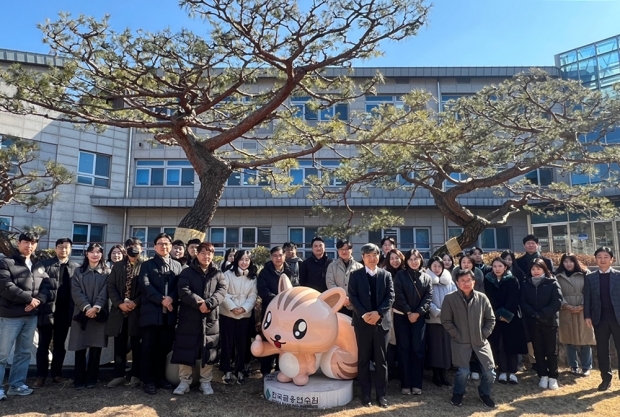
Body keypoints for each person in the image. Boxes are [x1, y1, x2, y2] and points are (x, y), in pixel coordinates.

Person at [171, 242, 226, 396]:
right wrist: (198, 303)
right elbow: (183, 290)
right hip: (190, 316)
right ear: (197, 253)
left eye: (209, 253)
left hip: (210, 317)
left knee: (208, 349)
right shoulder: (187, 272)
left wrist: (208, 304)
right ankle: (184, 381)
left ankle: (205, 381)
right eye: (203, 253)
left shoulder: (218, 273)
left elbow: (222, 292)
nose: (206, 256)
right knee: (185, 347)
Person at [0, 232, 50, 400]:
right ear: (18, 243)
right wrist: (31, 299)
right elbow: (6, 287)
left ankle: (17, 385)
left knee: (24, 352)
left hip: (31, 315)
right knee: (2, 353)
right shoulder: (6, 263)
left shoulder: (38, 264)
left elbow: (47, 285)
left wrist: (38, 301)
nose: (29, 246)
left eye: (33, 243)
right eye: (26, 242)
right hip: (10, 316)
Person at [348, 243, 394, 408]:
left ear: (378, 256)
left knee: (381, 360)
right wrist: (365, 315)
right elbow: (352, 296)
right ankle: (365, 394)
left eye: (374, 255)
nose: (372, 258)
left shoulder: (386, 275)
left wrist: (378, 313)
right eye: (368, 255)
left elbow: (390, 296)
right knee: (363, 359)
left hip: (382, 323)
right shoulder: (355, 275)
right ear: (363, 257)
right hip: (363, 323)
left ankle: (381, 395)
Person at [441, 269, 496, 408]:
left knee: (490, 372)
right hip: (460, 341)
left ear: (474, 282)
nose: (466, 283)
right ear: (457, 283)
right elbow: (446, 321)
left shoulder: (482, 298)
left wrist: (483, 334)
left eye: (468, 280)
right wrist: (457, 334)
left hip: (480, 341)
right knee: (463, 372)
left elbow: (491, 319)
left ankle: (484, 393)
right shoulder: (450, 298)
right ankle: (458, 393)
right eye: (462, 281)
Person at [138, 232, 183, 395]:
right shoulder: (147, 265)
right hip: (151, 312)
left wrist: (171, 298)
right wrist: (161, 299)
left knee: (164, 347)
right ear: (154, 246)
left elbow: (180, 286)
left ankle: (159, 377)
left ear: (171, 246)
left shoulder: (177, 265)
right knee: (148, 347)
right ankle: (148, 380)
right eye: (160, 244)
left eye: (167, 244)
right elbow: (145, 285)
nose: (164, 246)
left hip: (169, 314)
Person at [34, 237, 79, 387]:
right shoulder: (44, 265)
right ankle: (41, 376)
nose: (63, 249)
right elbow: (36, 286)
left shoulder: (75, 267)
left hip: (64, 312)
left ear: (70, 249)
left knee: (60, 345)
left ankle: (57, 374)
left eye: (66, 247)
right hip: (46, 310)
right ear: (55, 248)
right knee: (43, 345)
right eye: (60, 247)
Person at [68, 243, 110, 390]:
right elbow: (76, 292)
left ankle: (92, 379)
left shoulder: (107, 272)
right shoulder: (78, 272)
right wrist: (87, 307)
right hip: (81, 314)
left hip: (99, 315)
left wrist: (96, 307)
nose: (95, 254)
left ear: (102, 255)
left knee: (95, 349)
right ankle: (79, 379)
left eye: (98, 252)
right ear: (86, 254)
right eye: (91, 252)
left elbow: (106, 291)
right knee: (79, 348)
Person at [104, 237, 144, 388]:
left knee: (137, 345)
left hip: (137, 311)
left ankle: (135, 375)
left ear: (141, 248)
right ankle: (118, 375)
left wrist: (135, 302)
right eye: (130, 246)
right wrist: (119, 303)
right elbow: (111, 286)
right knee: (119, 344)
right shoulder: (118, 266)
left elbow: (147, 288)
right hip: (119, 311)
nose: (133, 248)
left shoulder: (145, 265)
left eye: (136, 246)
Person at [393, 249, 432, 395]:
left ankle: (417, 384)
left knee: (418, 350)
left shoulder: (426, 277)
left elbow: (428, 298)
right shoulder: (400, 275)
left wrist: (418, 313)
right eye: (410, 259)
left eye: (416, 258)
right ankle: (405, 384)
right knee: (404, 349)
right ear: (406, 261)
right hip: (402, 316)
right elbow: (398, 295)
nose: (414, 261)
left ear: (421, 260)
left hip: (419, 317)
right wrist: (409, 312)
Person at [520, 258, 562, 390]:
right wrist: (533, 313)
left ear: (544, 269)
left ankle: (553, 376)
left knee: (551, 350)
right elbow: (523, 301)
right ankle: (542, 375)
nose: (535, 271)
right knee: (538, 350)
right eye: (533, 269)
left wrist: (543, 313)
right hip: (533, 321)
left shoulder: (552, 283)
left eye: (538, 269)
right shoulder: (526, 283)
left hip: (549, 321)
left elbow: (557, 302)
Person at [484, 258, 527, 385]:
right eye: (495, 266)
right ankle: (502, 371)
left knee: (512, 345)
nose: (497, 269)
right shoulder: (488, 279)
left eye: (500, 266)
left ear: (505, 267)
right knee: (499, 345)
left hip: (511, 318)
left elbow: (514, 298)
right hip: (495, 317)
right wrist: (498, 313)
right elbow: (489, 298)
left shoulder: (513, 280)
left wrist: (507, 314)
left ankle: (512, 372)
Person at [584, 246, 620, 391]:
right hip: (600, 318)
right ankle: (606, 379)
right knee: (602, 350)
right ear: (596, 259)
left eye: (606, 257)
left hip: (617, 317)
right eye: (599, 257)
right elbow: (587, 298)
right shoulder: (590, 277)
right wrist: (587, 315)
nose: (603, 260)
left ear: (612, 259)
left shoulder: (618, 276)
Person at [219, 250, 257, 385]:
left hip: (244, 315)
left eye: (247, 259)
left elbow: (253, 296)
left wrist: (244, 308)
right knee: (227, 343)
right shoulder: (227, 274)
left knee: (242, 344)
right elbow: (222, 293)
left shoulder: (252, 277)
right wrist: (233, 307)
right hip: (228, 313)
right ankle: (226, 370)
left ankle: (240, 370)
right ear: (236, 260)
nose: (244, 262)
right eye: (242, 259)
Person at [555, 253, 595, 376]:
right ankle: (573, 366)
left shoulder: (585, 273)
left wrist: (583, 305)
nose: (568, 264)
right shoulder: (557, 276)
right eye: (565, 261)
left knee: (585, 339)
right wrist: (565, 305)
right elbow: (557, 293)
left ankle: (586, 366)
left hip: (584, 309)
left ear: (575, 262)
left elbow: (590, 291)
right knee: (569, 339)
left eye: (571, 261)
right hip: (566, 310)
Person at [257, 246, 293, 376]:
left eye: (280, 255)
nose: (278, 258)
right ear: (271, 257)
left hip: (288, 314)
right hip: (270, 312)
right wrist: (279, 299)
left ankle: (282, 369)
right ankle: (266, 371)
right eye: (275, 256)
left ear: (284, 256)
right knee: (269, 339)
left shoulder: (290, 271)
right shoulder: (265, 272)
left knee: (285, 341)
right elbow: (263, 290)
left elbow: (296, 287)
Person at [426, 256, 457, 387]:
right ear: (430, 267)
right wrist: (437, 311)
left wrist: (447, 313)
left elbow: (456, 298)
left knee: (446, 348)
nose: (437, 269)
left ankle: (443, 374)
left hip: (447, 321)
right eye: (434, 266)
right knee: (435, 348)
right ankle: (435, 374)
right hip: (433, 321)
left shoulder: (450, 282)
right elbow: (426, 300)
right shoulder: (426, 280)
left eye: (439, 266)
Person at [380, 249, 405, 380]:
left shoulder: (406, 273)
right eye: (392, 258)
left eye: (397, 258)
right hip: (389, 311)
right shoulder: (384, 273)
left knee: (402, 341)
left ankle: (402, 369)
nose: (395, 261)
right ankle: (390, 370)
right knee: (390, 341)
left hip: (404, 312)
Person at [325, 239, 363, 317]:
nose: (344, 251)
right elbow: (330, 283)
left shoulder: (359, 267)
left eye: (346, 249)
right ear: (338, 251)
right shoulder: (332, 266)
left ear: (351, 250)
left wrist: (351, 299)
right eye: (341, 249)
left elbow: (361, 286)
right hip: (337, 304)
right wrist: (342, 298)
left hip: (354, 305)